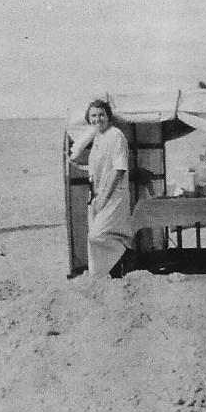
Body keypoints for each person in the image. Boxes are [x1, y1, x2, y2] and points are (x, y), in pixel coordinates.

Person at [69, 99, 133, 278]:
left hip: (114, 193)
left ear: (108, 117)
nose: (97, 119)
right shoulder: (97, 138)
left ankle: (126, 252)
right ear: (89, 119)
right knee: (96, 240)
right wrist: (76, 160)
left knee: (97, 236)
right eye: (93, 116)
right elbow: (97, 168)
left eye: (101, 115)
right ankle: (102, 277)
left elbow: (118, 169)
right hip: (98, 195)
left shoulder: (116, 135)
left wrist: (105, 197)